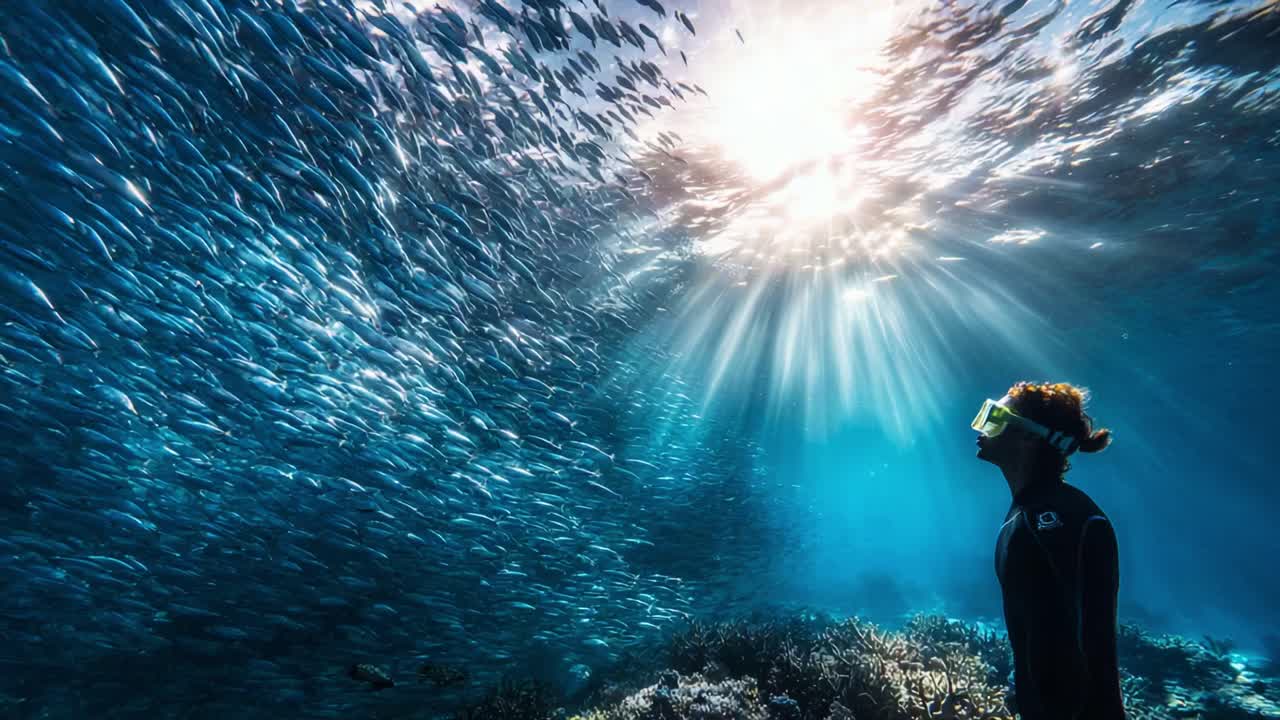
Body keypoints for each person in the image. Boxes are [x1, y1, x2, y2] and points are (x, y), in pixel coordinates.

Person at [972, 381, 1125, 720]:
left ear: (1028, 436)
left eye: (995, 417)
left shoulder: (1061, 520)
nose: (981, 426)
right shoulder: (1032, 514)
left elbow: (1085, 650)